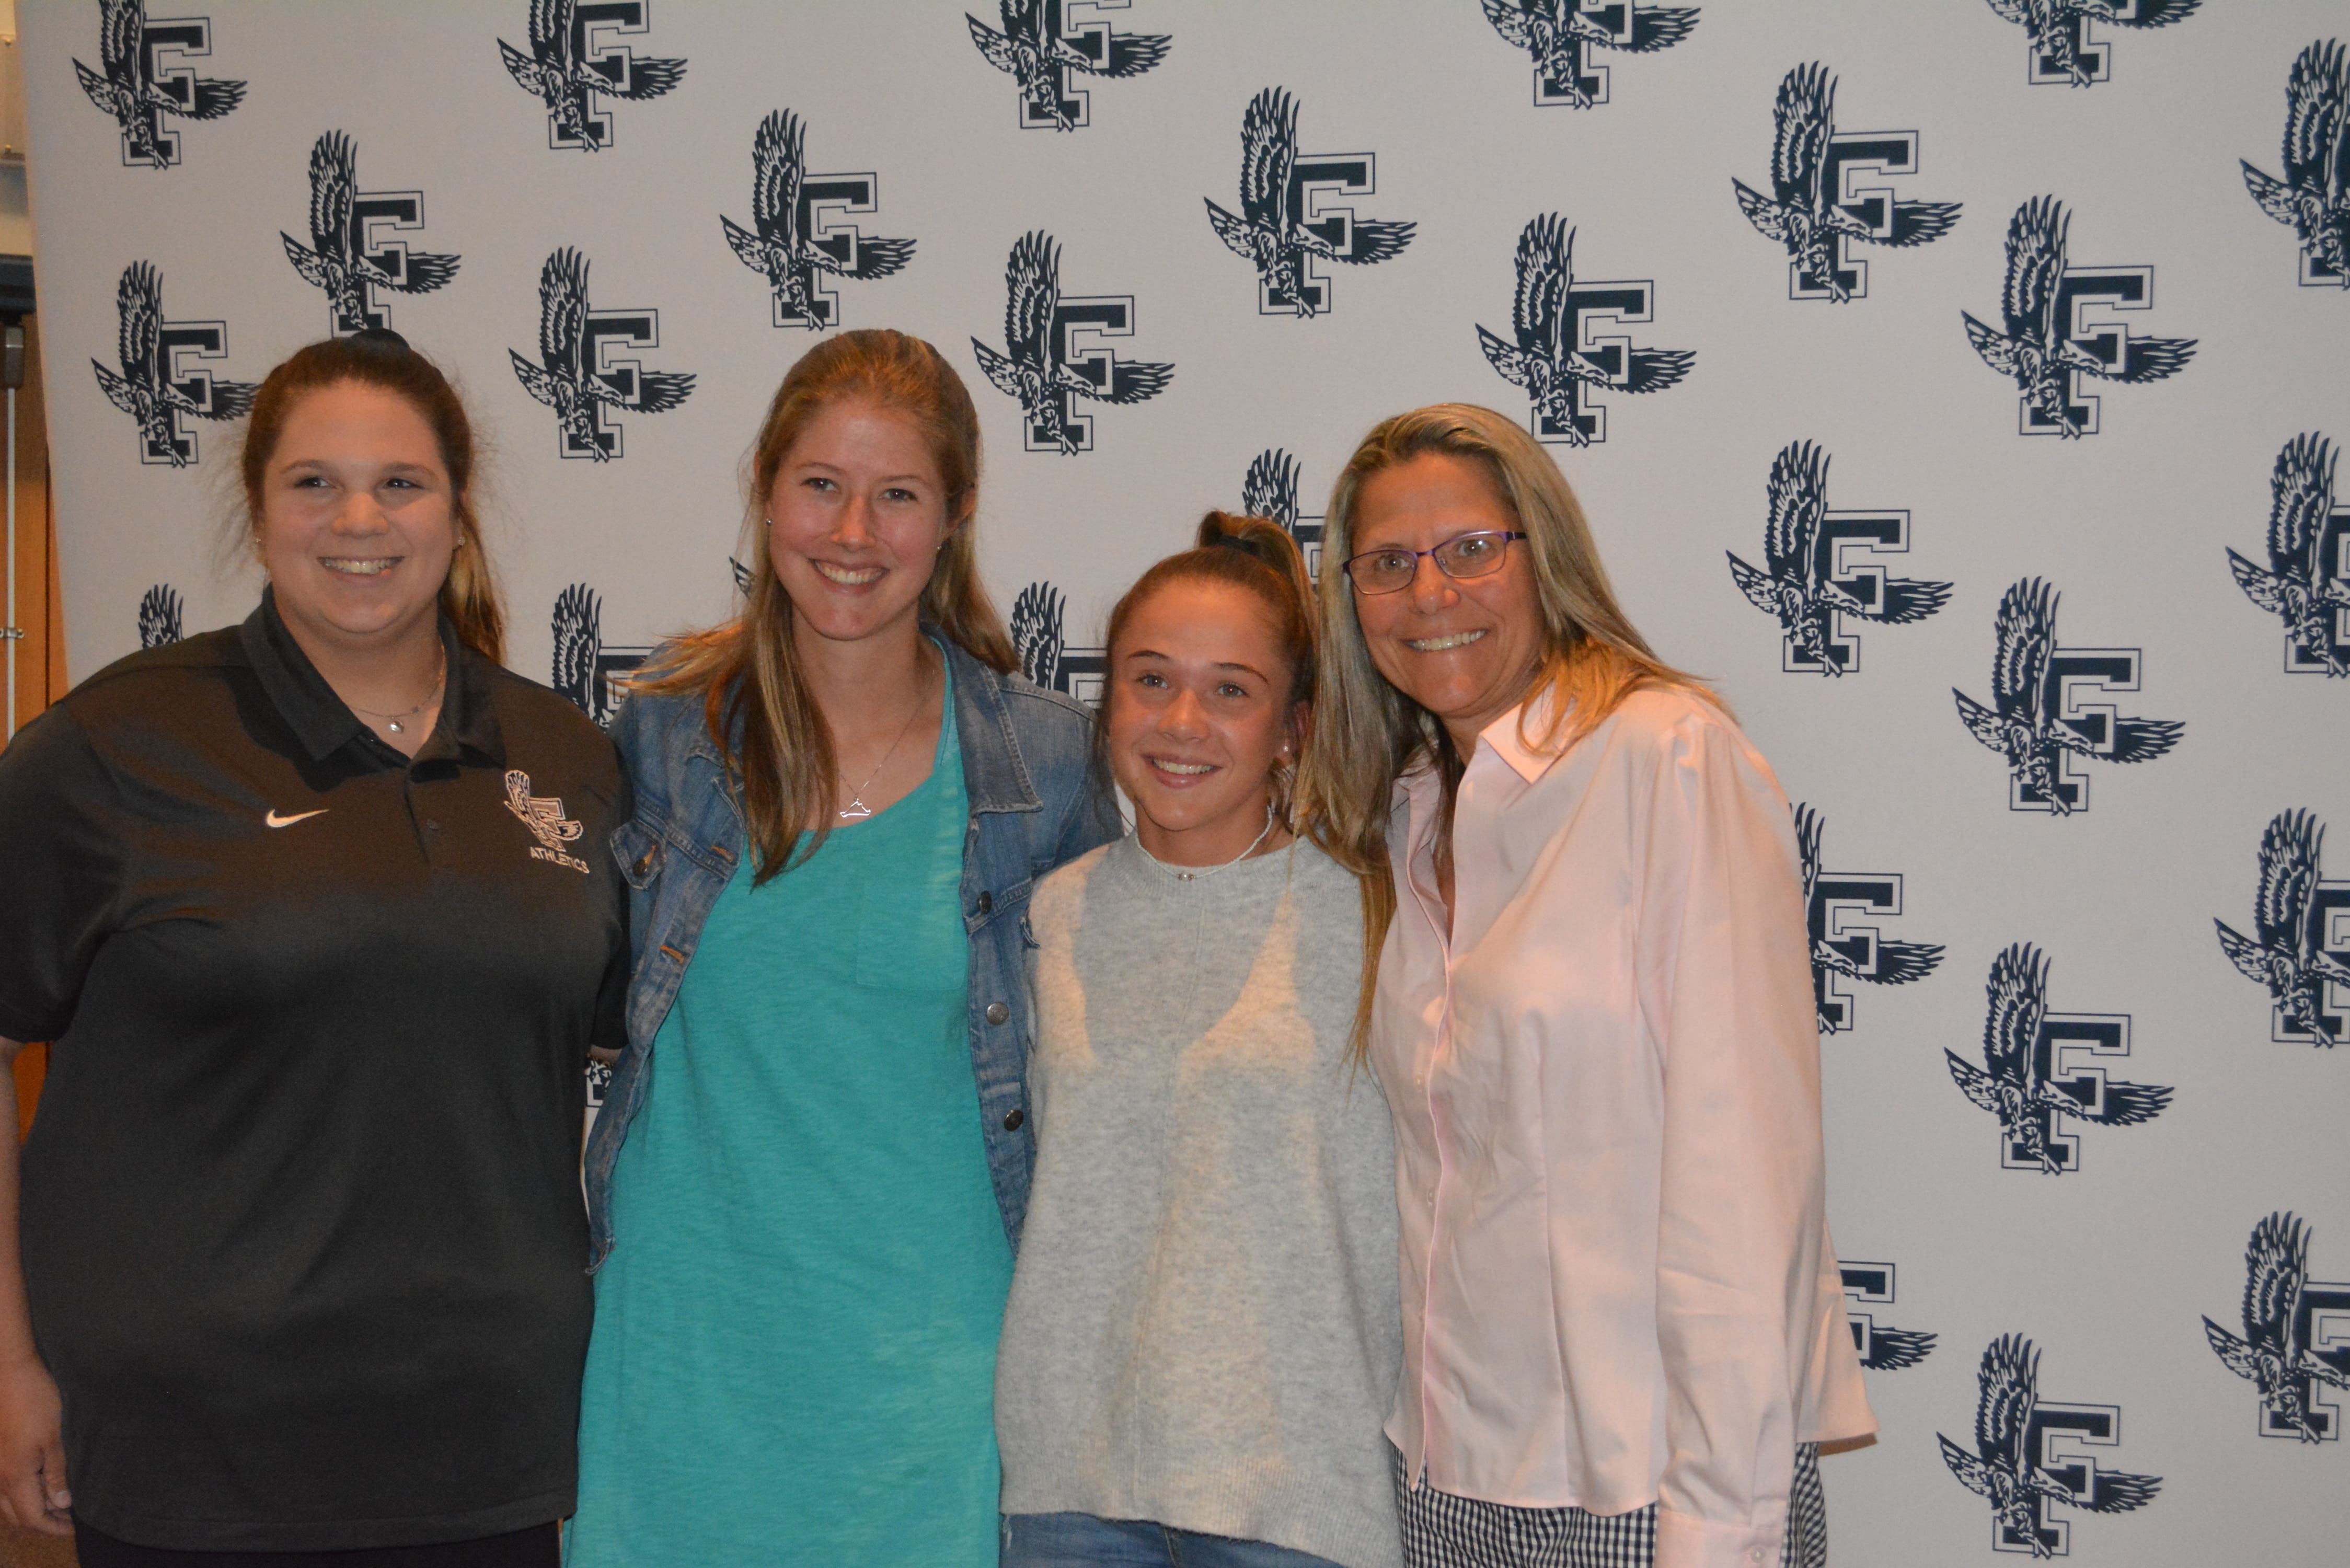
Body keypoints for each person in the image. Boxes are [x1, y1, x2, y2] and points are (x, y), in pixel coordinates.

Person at [0, 329, 630, 1566]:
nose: (359, 520)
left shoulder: (566, 758)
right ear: (258, 510)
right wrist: (9, 1358)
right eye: (313, 482)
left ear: (458, 512)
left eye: (400, 482)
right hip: (193, 1450)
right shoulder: (113, 748)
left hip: (484, 1446)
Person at [567, 328, 1119, 1566]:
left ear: (957, 515)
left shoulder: (1045, 764)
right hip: (682, 1365)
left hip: (938, 1381)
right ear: (767, 492)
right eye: (821, 484)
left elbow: (1106, 1077)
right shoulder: (662, 739)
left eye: (898, 495)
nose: (854, 532)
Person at [1309, 405, 1875, 1568]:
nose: (1430, 592)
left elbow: (1743, 1174)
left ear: (1544, 555)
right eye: (1388, 564)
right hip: (1449, 1480)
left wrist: (1719, 1526)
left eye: (1472, 549)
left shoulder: (1665, 758)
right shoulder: (1408, 815)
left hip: (1650, 1486)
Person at [997, 514, 1403, 1568]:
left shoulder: (1380, 922)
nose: (1183, 722)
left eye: (1231, 690)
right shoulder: (1047, 919)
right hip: (1068, 1496)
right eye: (1151, 680)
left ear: (1292, 729)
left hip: (1296, 1505)